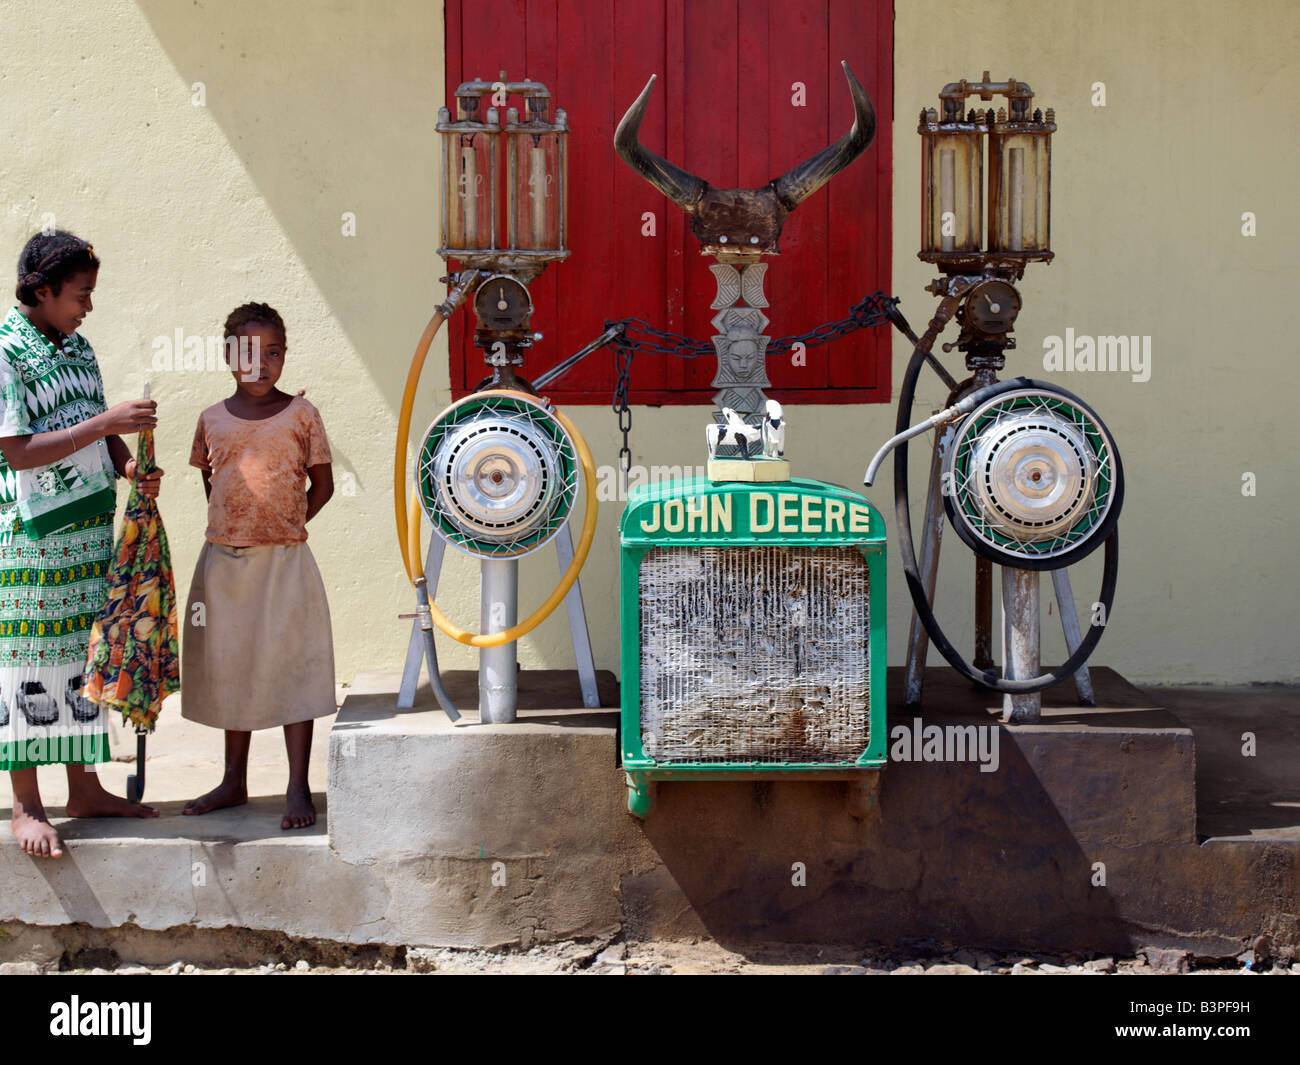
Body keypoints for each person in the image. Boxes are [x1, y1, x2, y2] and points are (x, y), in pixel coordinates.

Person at [0, 230, 163, 859]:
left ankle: (84, 787)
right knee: (26, 664)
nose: (88, 306)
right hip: (30, 539)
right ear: (41, 290)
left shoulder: (78, 348)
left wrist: (128, 469)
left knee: (79, 660)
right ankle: (24, 805)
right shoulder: (7, 353)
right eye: (79, 294)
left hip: (87, 527)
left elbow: (100, 431)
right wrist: (106, 424)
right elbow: (16, 451)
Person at [181, 302, 335, 830]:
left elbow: (324, 485)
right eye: (249, 352)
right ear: (228, 357)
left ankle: (297, 785)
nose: (261, 364)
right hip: (225, 563)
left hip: (286, 561)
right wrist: (244, 529)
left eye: (273, 353)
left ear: (285, 356)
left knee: (294, 667)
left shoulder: (302, 416)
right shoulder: (211, 420)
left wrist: (285, 525)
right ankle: (233, 779)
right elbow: (212, 486)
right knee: (231, 668)